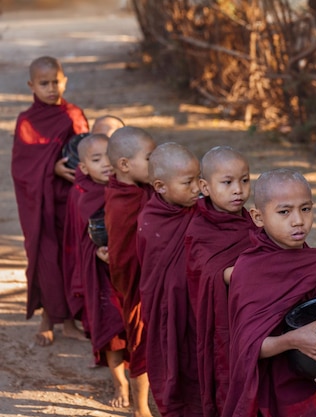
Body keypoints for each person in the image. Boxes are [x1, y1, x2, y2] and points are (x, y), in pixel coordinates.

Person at [223, 168, 316, 417]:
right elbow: (246, 346)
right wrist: (291, 340)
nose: (298, 220)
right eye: (284, 212)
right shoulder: (250, 270)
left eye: (306, 209)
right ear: (258, 217)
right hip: (271, 391)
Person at [11, 55, 89, 347]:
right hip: (40, 203)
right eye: (44, 83)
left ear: (64, 81)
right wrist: (51, 168)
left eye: (56, 82)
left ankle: (68, 321)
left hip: (68, 201)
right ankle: (47, 318)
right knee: (44, 256)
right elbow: (21, 167)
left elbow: (87, 151)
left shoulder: (73, 115)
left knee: (70, 256)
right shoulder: (26, 121)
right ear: (32, 85)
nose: (51, 88)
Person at [184, 146, 258, 416]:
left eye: (245, 180)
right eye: (227, 183)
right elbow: (210, 272)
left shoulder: (249, 220)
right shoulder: (201, 228)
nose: (238, 189)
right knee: (229, 376)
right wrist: (261, 269)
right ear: (204, 186)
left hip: (252, 317)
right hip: (223, 323)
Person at [136, 142, 203, 417]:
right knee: (175, 366)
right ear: (161, 187)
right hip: (168, 310)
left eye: (199, 180)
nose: (197, 188)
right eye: (188, 183)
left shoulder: (204, 212)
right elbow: (151, 272)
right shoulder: (151, 221)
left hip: (198, 309)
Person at [69, 134, 129, 408]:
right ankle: (120, 382)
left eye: (109, 156)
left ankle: (140, 377)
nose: (106, 164)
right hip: (102, 278)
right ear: (83, 168)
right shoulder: (85, 196)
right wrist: (96, 251)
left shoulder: (131, 190)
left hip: (130, 275)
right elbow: (82, 241)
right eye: (96, 159)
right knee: (111, 332)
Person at [104, 126, 156, 417]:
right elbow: (125, 249)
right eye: (149, 159)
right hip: (134, 284)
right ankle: (140, 408)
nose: (156, 165)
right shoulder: (123, 198)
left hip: (149, 281)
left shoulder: (140, 189)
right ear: (124, 165)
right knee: (141, 342)